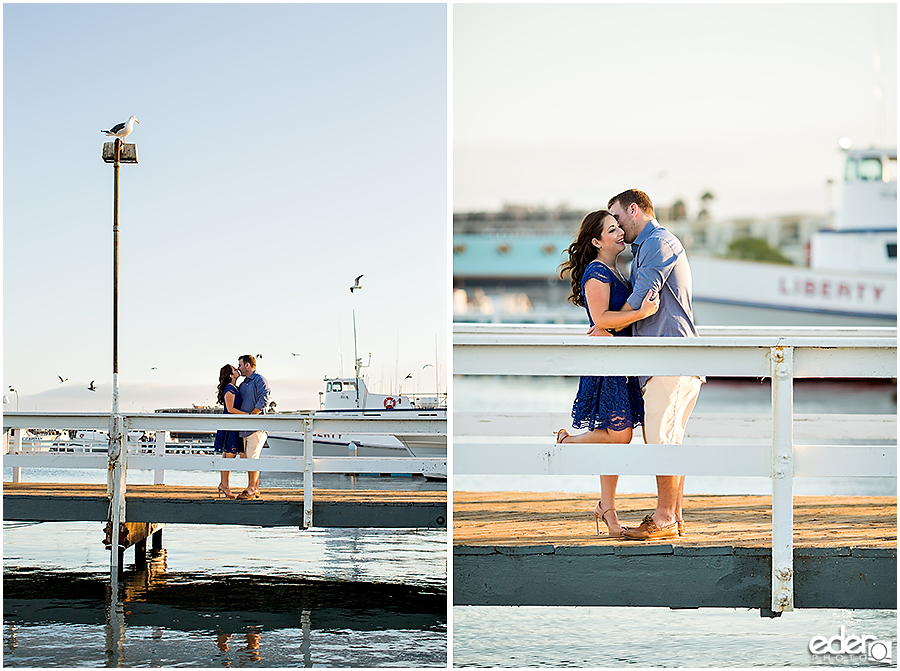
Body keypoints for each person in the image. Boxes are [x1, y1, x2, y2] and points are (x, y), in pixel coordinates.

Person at [602, 188, 703, 541]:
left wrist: (605, 323)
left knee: (661, 440)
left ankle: (663, 519)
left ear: (634, 210)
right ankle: (672, 517)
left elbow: (641, 298)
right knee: (667, 440)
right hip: (668, 359)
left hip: (670, 358)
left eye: (616, 216)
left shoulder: (658, 242)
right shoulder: (648, 246)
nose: (616, 225)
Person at [556, 210, 659, 537]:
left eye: (619, 228)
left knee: (616, 440)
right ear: (597, 241)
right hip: (607, 366)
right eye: (612, 230)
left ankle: (607, 509)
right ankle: (570, 443)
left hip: (620, 363)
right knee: (620, 435)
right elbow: (601, 319)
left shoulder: (613, 270)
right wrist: (643, 311)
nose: (619, 233)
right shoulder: (596, 272)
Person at [236, 354, 272, 500]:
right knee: (247, 458)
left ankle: (251, 489)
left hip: (256, 426)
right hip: (244, 427)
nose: (239, 368)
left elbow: (265, 397)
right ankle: (254, 488)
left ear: (247, 365)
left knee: (252, 457)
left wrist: (252, 415)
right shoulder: (243, 384)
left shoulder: (260, 380)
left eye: (240, 365)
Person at [213, 364, 248, 499]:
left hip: (233, 425)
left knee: (228, 455)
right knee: (229, 455)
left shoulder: (234, 388)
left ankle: (224, 485)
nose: (237, 370)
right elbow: (230, 409)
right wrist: (247, 414)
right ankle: (225, 486)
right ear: (230, 375)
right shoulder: (229, 389)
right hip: (229, 426)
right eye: (234, 369)